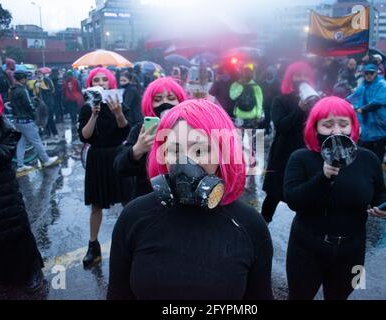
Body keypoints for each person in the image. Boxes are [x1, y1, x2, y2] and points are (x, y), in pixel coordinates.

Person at [107, 99, 273, 300]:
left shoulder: (250, 225)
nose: (184, 162)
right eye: (174, 151)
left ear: (224, 154)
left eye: (200, 151)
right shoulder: (134, 216)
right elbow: (117, 294)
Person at [283, 96, 386, 300]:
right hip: (306, 248)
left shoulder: (368, 158)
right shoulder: (300, 158)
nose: (337, 130)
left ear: (352, 127)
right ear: (314, 128)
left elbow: (380, 192)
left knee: (341, 296)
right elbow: (293, 199)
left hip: (352, 251)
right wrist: (323, 177)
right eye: (327, 125)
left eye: (344, 124)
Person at [0, 86, 45, 293]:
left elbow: (1, 157)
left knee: (15, 233)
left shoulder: (6, 128)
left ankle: (31, 273)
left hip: (4, 192)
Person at [78, 67, 134, 269]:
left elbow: (126, 131)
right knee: (96, 205)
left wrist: (118, 113)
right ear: (91, 84)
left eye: (104, 79)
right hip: (97, 158)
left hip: (118, 155)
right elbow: (85, 136)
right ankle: (93, 247)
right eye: (96, 80)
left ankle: (133, 243)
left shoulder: (118, 103)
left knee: (128, 201)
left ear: (111, 83)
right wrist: (93, 115)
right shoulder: (86, 108)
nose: (101, 83)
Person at [113, 77, 187, 199]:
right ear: (150, 103)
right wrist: (137, 150)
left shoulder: (189, 128)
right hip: (148, 198)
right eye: (158, 99)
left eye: (171, 98)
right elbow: (119, 167)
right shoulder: (140, 130)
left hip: (183, 196)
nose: (165, 103)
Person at [261, 61, 315, 223]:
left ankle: (305, 231)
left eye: (305, 75)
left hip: (306, 152)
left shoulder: (314, 99)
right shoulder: (280, 100)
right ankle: (262, 225)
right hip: (283, 153)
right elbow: (281, 126)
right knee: (274, 195)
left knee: (305, 195)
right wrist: (299, 109)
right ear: (290, 78)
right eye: (297, 75)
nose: (302, 79)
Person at [347, 63, 386, 162]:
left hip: (382, 120)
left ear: (376, 74)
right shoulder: (364, 85)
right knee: (367, 143)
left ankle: (378, 168)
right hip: (370, 118)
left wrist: (363, 109)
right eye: (367, 73)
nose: (369, 75)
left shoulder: (383, 85)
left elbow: (379, 101)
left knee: (379, 149)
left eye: (371, 73)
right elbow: (354, 95)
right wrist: (343, 102)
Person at [9, 70, 58, 172]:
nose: (27, 80)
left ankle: (20, 165)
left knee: (21, 143)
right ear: (22, 79)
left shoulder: (12, 89)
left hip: (17, 121)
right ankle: (46, 160)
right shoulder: (22, 90)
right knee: (37, 141)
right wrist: (34, 115)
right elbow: (28, 106)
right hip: (26, 120)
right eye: (26, 78)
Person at [33, 69, 58, 140]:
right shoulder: (35, 83)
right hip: (41, 104)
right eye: (37, 74)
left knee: (50, 118)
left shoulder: (47, 80)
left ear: (42, 74)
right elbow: (35, 94)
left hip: (49, 103)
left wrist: (42, 87)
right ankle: (48, 133)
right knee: (43, 119)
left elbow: (52, 90)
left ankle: (55, 133)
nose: (38, 75)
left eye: (39, 74)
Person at [260, 66, 281, 136]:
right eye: (268, 73)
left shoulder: (278, 82)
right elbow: (261, 93)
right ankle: (267, 131)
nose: (269, 75)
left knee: (275, 120)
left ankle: (275, 133)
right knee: (266, 119)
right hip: (266, 104)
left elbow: (280, 94)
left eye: (270, 73)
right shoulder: (263, 82)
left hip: (275, 105)